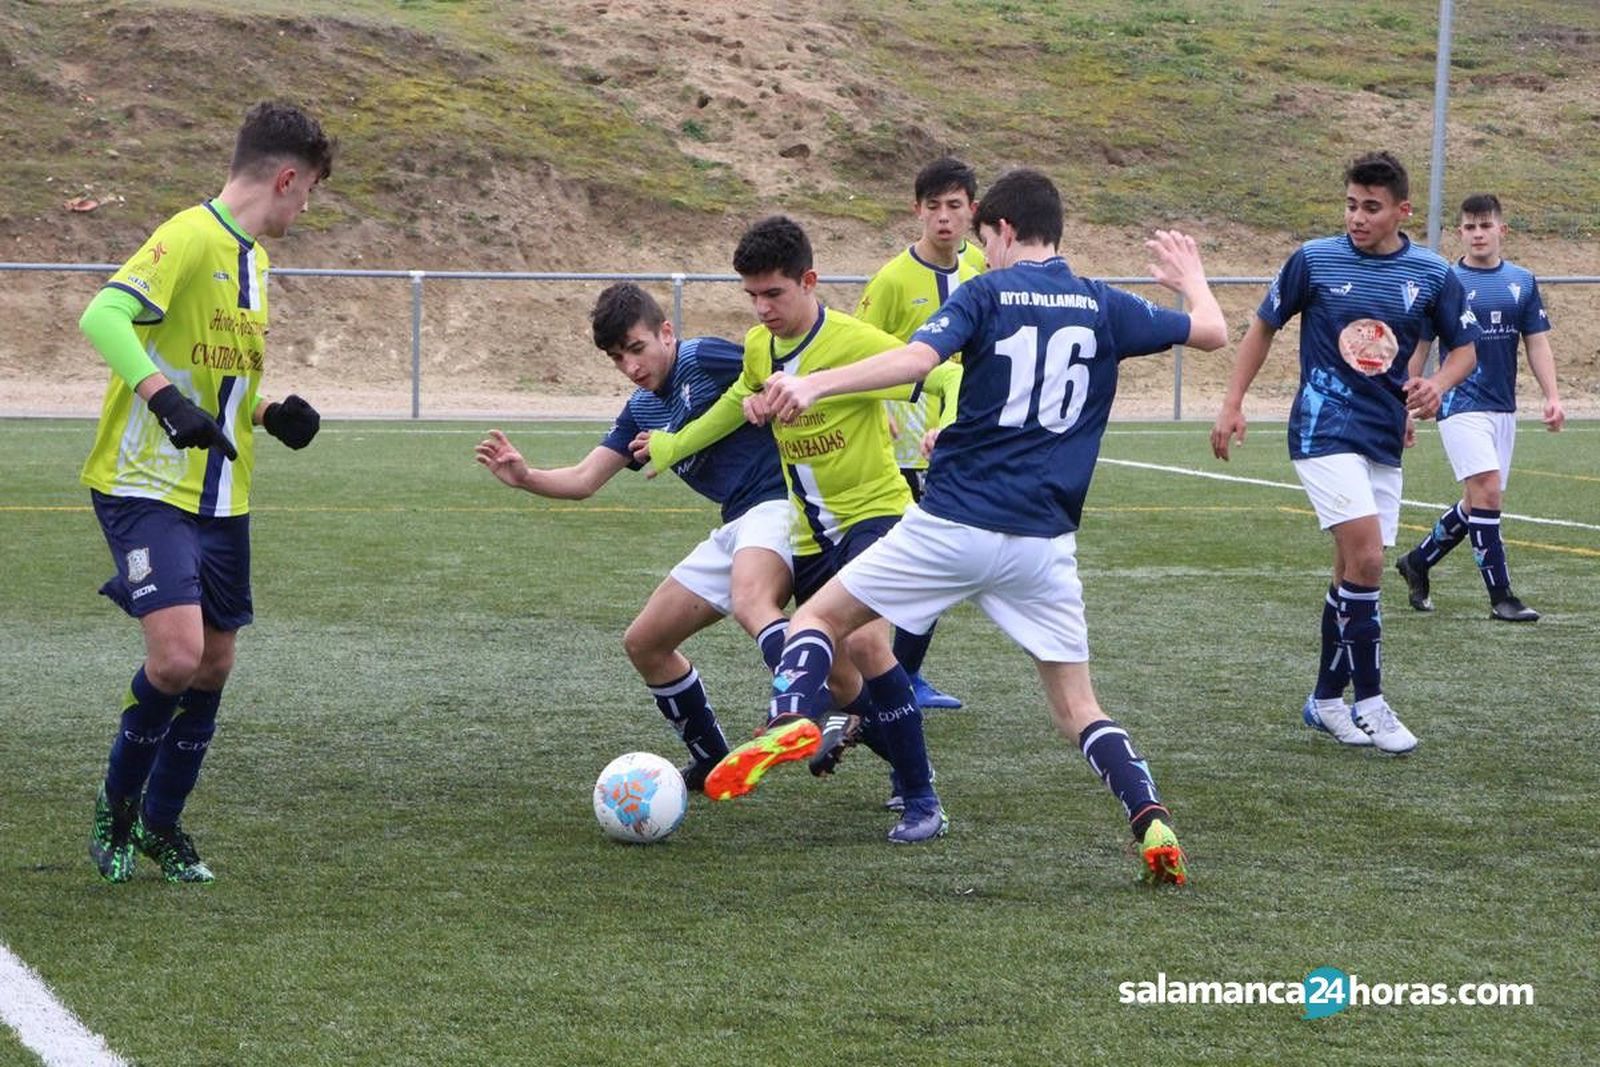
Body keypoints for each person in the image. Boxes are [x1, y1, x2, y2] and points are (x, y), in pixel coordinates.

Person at [759, 168, 1226, 883]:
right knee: (1078, 706)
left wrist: (813, 381)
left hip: (953, 523)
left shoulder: (984, 290)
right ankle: (1149, 814)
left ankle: (792, 715)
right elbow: (1214, 333)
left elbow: (918, 359)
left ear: (1003, 231)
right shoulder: (1102, 303)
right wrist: (1190, 277)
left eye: (984, 241)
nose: (983, 255)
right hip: (1043, 545)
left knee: (816, 620)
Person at [632, 215, 962, 843]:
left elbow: (942, 372)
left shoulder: (851, 340)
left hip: (875, 514)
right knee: (844, 660)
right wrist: (679, 443)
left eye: (774, 294)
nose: (762, 309)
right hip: (809, 531)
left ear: (809, 281)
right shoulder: (760, 346)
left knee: (866, 648)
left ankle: (915, 795)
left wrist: (942, 420)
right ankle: (869, 746)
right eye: (751, 296)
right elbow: (739, 399)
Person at [80, 101, 334, 883]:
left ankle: (161, 824)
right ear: (286, 177)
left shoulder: (257, 263)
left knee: (215, 663)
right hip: (146, 483)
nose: (307, 206)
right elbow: (103, 315)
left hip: (223, 492)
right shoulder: (189, 236)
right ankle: (116, 808)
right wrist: (162, 399)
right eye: (311, 190)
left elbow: (215, 377)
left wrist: (268, 409)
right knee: (177, 656)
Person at [1210, 151, 1479, 756]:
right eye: (1352, 205)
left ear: (1402, 211)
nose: (1358, 217)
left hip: (1384, 434)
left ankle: (1326, 700)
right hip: (1322, 428)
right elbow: (1263, 327)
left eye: (1372, 208)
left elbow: (1464, 351)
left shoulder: (1433, 275)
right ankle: (1371, 701)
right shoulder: (1314, 260)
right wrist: (1232, 402)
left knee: (1352, 571)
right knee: (1368, 558)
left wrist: (1437, 385)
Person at [475, 283, 793, 790]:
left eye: (637, 349)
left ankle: (798, 711)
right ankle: (713, 759)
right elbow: (584, 480)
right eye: (617, 358)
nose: (631, 367)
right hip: (737, 523)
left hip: (783, 505)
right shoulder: (640, 410)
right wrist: (526, 476)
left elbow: (785, 378)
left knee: (755, 603)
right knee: (645, 642)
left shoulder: (703, 358)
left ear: (666, 332)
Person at [853, 155, 986, 711]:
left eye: (954, 206)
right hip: (905, 439)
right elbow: (855, 348)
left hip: (965, 430)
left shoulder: (982, 264)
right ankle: (884, 673)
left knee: (944, 562)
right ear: (917, 211)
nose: (944, 219)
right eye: (933, 207)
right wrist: (874, 406)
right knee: (914, 562)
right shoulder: (891, 279)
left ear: (972, 211)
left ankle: (908, 672)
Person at [1394, 193, 1564, 622]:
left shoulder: (1523, 281)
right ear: (1460, 232)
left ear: (1501, 230)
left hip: (1502, 407)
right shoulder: (1444, 281)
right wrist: (1402, 403)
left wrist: (1552, 395)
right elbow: (1421, 345)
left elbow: (1536, 341)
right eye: (1469, 227)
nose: (1477, 234)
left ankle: (1417, 562)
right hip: (1458, 402)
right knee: (1487, 491)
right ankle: (1501, 597)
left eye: (1485, 226)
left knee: (1476, 504)